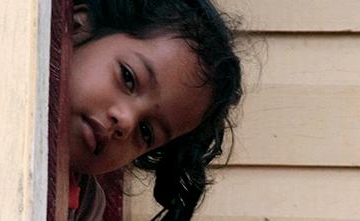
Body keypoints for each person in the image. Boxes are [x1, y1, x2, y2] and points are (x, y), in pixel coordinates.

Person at [64, 0, 243, 220]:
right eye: (128, 78)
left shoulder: (85, 207)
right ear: (77, 25)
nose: (126, 122)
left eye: (146, 131)